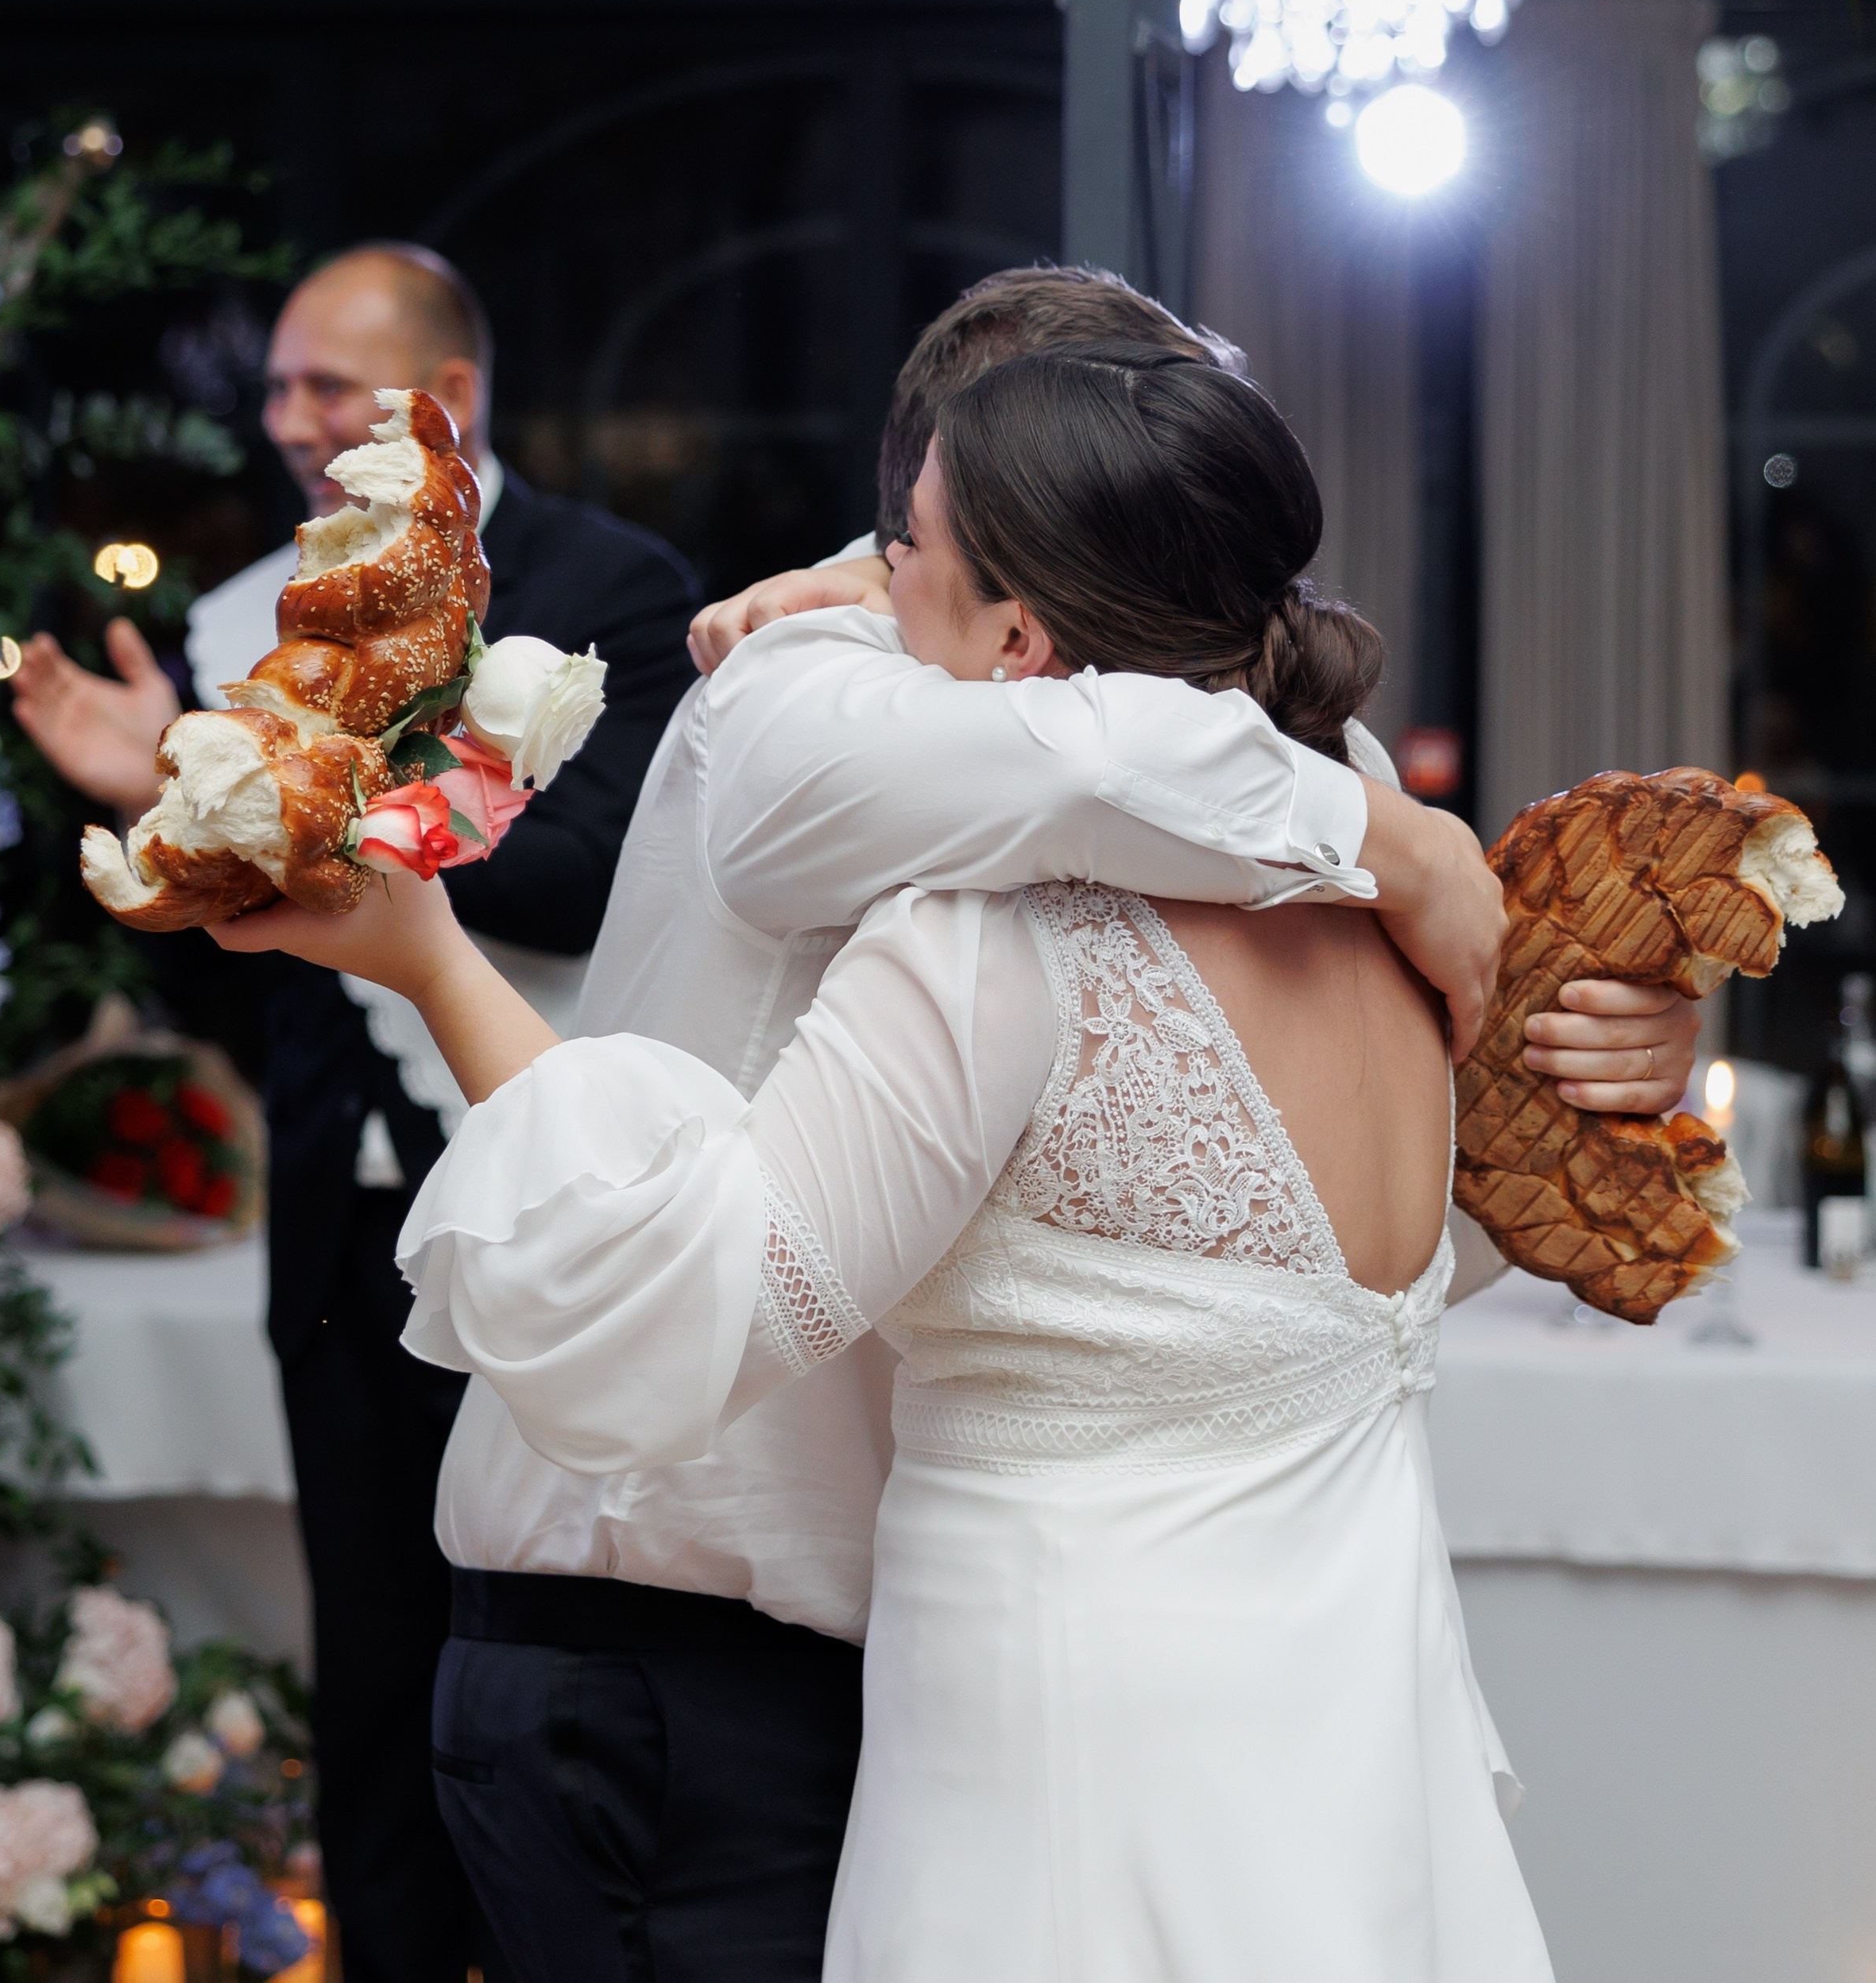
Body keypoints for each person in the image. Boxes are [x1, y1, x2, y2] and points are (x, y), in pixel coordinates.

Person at [221, 269, 1695, 1983]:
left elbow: (1306, 1258)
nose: (872, 564)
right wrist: (1403, 844)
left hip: (1003, 1700)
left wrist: (1588, 1033)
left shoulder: (1131, 862)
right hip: (678, 1657)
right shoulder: (812, 698)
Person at [9, 243, 698, 1983]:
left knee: (568, 1675)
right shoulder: (246, 620)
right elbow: (213, 976)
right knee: (379, 1682)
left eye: (330, 387)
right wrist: (162, 808)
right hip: (342, 1227)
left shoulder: (614, 586)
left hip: (561, 1200)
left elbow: (615, 863)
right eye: (281, 389)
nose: (288, 421)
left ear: (438, 404)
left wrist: (305, 814)